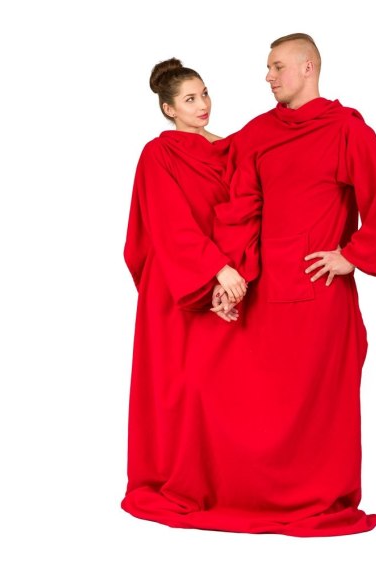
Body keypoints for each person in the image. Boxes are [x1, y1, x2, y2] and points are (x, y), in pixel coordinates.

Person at [210, 33, 376, 537]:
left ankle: (319, 495)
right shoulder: (259, 132)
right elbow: (237, 200)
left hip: (319, 295)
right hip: (263, 293)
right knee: (256, 400)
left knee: (323, 404)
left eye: (277, 66)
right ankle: (257, 493)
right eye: (267, 67)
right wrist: (229, 278)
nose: (268, 76)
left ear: (308, 67)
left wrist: (353, 255)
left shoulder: (343, 129)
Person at [121, 58, 247, 527]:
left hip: (228, 284)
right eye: (190, 99)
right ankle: (177, 477)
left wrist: (232, 275)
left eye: (205, 93)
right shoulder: (159, 154)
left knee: (224, 389)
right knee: (181, 386)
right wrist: (216, 270)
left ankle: (225, 481)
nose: (203, 105)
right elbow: (169, 223)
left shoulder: (232, 148)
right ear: (169, 109)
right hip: (177, 284)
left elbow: (243, 211)